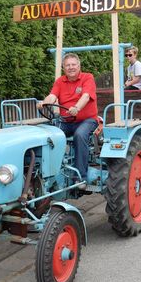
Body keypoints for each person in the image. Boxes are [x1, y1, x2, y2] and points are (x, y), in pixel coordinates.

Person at [37, 53, 98, 187]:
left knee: (80, 135)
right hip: (66, 120)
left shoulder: (87, 78)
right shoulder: (60, 81)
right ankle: (48, 173)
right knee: (49, 135)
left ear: (79, 65)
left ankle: (80, 177)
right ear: (64, 68)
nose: (71, 67)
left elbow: (86, 96)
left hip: (87, 120)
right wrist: (44, 102)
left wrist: (77, 107)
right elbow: (52, 96)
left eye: (73, 64)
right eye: (67, 65)